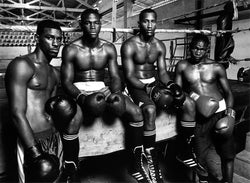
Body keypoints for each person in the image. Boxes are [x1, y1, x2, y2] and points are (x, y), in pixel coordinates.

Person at [60, 8, 152, 183]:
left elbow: (116, 76)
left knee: (137, 113)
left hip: (103, 89)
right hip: (80, 90)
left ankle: (135, 164)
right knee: (72, 121)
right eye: (88, 23)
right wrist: (81, 97)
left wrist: (115, 92)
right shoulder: (71, 49)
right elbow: (66, 82)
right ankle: (71, 170)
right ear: (81, 25)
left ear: (101, 24)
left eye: (96, 23)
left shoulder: (108, 48)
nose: (93, 26)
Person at [5, 20, 82, 183]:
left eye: (59, 39)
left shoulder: (55, 73)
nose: (56, 43)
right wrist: (35, 154)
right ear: (37, 37)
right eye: (49, 38)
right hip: (32, 140)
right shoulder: (22, 65)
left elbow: (52, 112)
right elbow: (16, 113)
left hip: (54, 138)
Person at [121, 8, 185, 183]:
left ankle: (164, 158)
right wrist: (147, 88)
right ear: (139, 23)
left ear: (156, 23)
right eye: (145, 21)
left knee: (176, 99)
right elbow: (128, 76)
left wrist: (172, 85)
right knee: (149, 109)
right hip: (135, 84)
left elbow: (163, 73)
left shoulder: (159, 45)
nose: (149, 25)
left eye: (153, 21)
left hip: (152, 83)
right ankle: (141, 162)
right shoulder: (129, 45)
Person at [175, 33, 235, 183]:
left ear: (207, 50)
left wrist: (230, 114)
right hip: (199, 117)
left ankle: (228, 181)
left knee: (227, 154)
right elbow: (177, 91)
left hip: (220, 112)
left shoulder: (216, 67)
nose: (198, 52)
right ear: (190, 48)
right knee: (199, 158)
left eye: (201, 49)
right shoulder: (182, 66)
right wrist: (195, 97)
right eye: (195, 48)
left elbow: (228, 92)